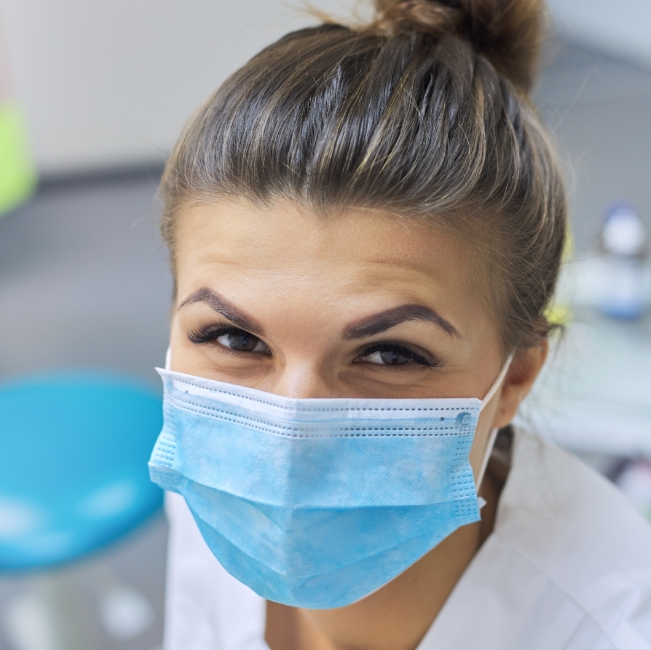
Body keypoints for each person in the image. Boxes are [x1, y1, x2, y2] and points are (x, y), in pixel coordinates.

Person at [147, 0, 651, 648]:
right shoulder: (212, 482)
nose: (286, 442)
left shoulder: (610, 629)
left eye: (389, 355)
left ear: (517, 376)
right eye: (234, 338)